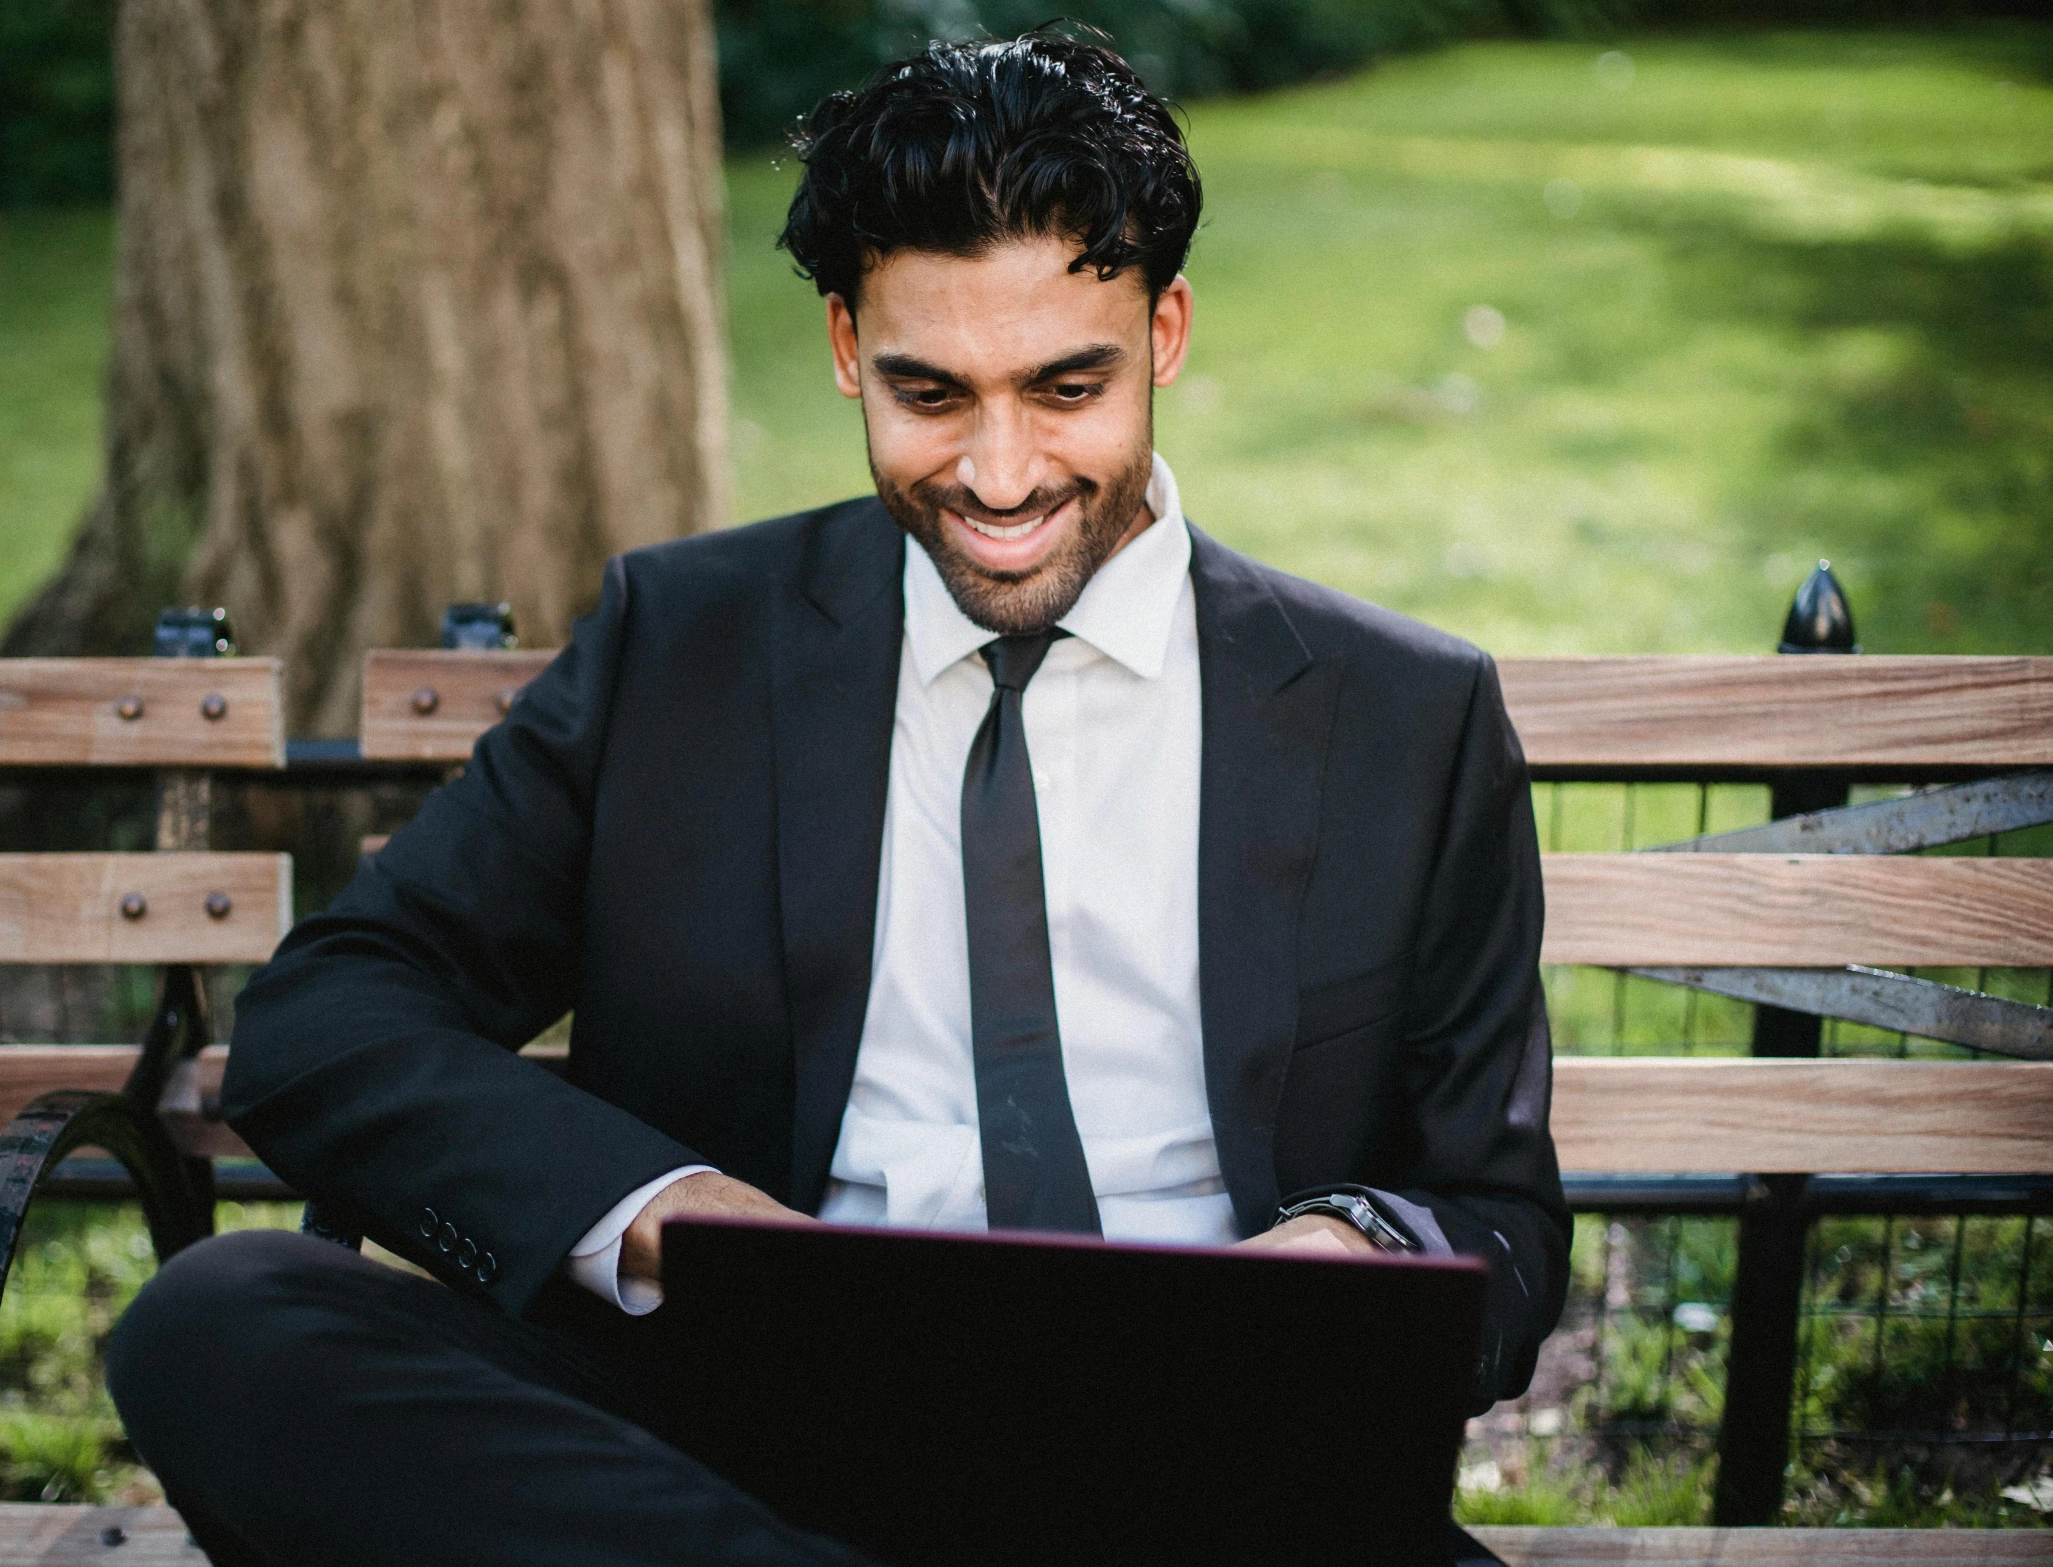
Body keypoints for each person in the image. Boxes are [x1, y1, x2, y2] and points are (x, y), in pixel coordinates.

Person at [108, 31, 1568, 1566]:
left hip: (1206, 1476)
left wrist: (1350, 1247)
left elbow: (1499, 1213)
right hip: (738, 1446)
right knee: (224, 1320)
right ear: (841, 347)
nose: (999, 476)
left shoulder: (1404, 714)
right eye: (927, 392)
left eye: (1066, 387)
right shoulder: (678, 647)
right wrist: (664, 1209)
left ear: (1168, 331)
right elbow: (330, 1017)